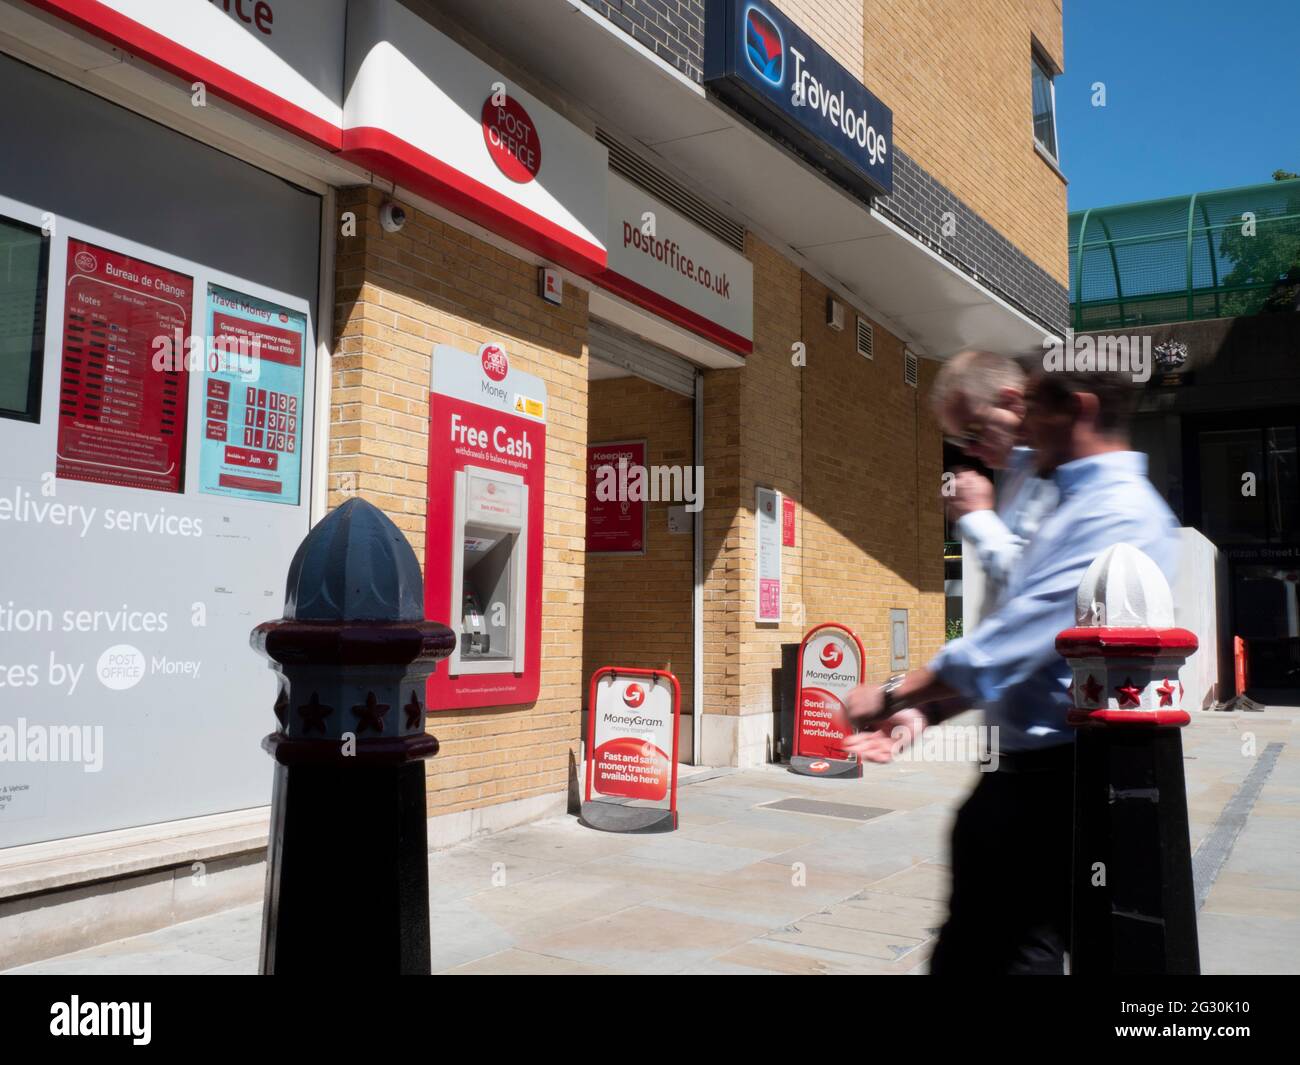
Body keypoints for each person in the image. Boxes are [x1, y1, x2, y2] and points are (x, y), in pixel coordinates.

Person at [842, 365, 1180, 974]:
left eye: (1027, 416)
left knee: (1012, 951)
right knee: (990, 944)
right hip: (1025, 765)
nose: (1014, 433)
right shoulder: (1061, 486)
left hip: (1060, 773)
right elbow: (1018, 639)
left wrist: (895, 691)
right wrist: (928, 709)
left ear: (1073, 410)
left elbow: (1024, 631)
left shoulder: (1113, 509)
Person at [931, 350, 1057, 617]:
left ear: (1011, 401)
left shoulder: (1053, 472)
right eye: (960, 441)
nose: (970, 450)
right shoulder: (1018, 471)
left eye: (973, 432)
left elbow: (1033, 591)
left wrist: (978, 517)